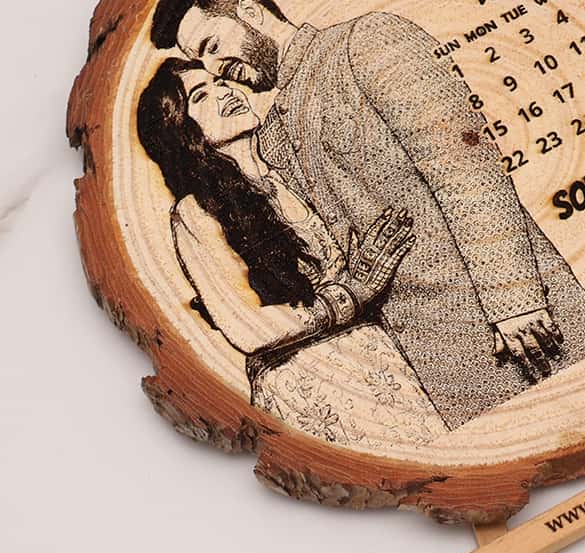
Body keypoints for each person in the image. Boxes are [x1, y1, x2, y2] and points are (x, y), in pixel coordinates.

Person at [148, 0, 585, 431]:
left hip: (519, 322)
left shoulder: (368, 41)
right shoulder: (269, 138)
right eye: (203, 64)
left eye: (212, 47)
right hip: (430, 366)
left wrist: (514, 300)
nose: (217, 70)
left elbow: (465, 165)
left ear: (250, 14)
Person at [136, 58, 446, 448]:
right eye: (200, 95)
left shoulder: (284, 173)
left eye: (219, 81)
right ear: (182, 133)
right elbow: (248, 329)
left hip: (379, 362)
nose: (223, 91)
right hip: (309, 386)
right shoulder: (195, 211)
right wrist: (350, 294)